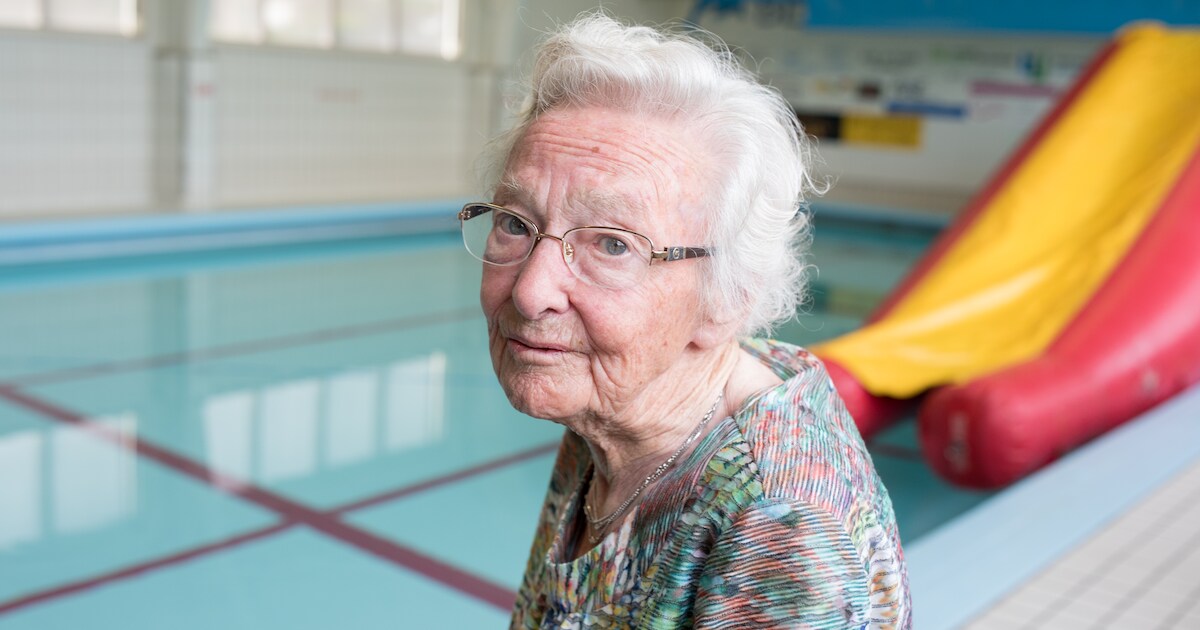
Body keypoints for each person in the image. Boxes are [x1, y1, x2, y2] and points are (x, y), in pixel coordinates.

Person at [459, 13, 911, 629]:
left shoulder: (782, 532)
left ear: (728, 296)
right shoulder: (621, 402)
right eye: (515, 221)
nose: (532, 291)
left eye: (612, 245)